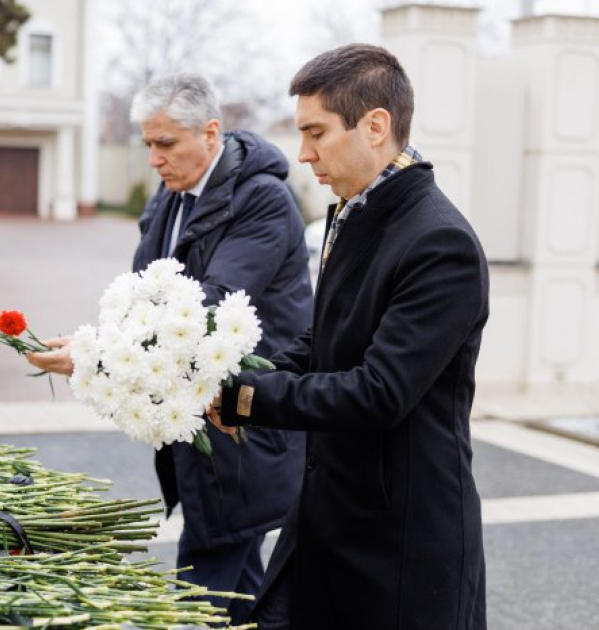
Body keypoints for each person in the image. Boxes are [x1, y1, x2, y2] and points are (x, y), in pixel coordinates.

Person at [207, 44, 489, 629]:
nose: (303, 154)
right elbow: (324, 340)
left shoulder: (441, 243)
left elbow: (379, 392)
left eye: (316, 133)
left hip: (399, 544)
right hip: (330, 520)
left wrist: (247, 400)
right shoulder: (354, 210)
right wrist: (236, 378)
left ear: (376, 126)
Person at [27, 73, 314, 624]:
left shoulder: (263, 202)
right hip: (198, 421)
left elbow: (207, 308)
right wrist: (97, 344)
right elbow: (143, 298)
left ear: (210, 133)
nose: (154, 159)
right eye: (147, 144)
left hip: (243, 427)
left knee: (196, 593)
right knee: (242, 589)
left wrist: (95, 358)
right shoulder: (172, 196)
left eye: (166, 144)